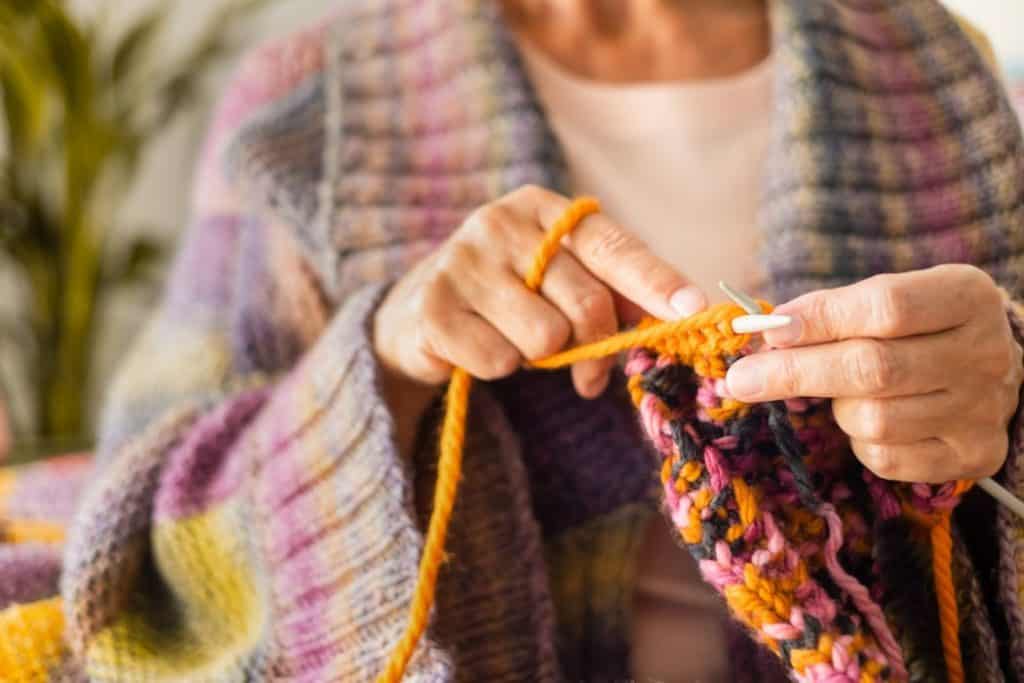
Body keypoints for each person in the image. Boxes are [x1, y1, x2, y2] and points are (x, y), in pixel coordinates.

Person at [2, 1, 1023, 681]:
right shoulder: (310, 106)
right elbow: (147, 543)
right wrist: (387, 358)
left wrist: (1004, 399)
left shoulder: (939, 73)